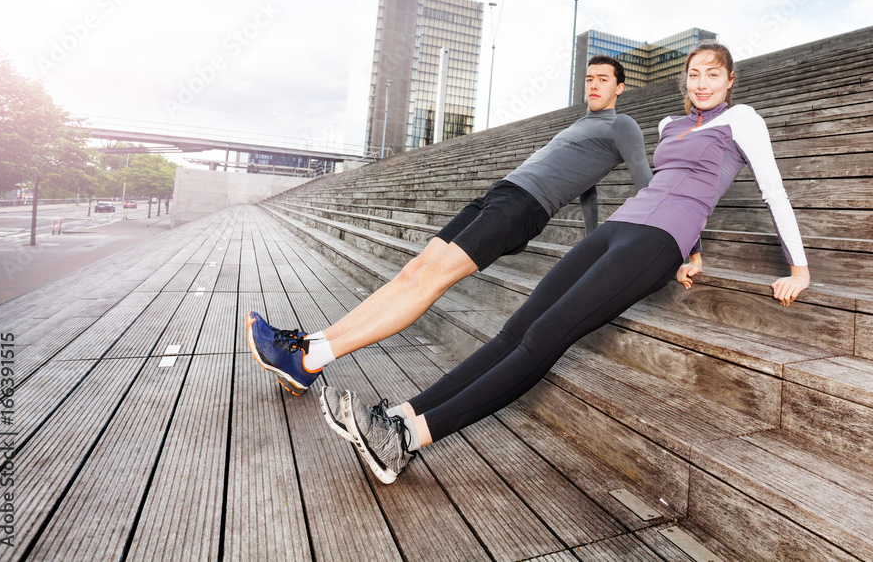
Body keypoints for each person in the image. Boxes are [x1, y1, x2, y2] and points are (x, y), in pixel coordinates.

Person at [322, 42, 811, 484]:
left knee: (545, 336)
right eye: (694, 74)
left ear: (729, 80)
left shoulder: (743, 119)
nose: (702, 83)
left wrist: (798, 269)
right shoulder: (670, 126)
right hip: (619, 229)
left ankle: (409, 440)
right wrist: (697, 253)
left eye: (713, 74)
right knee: (516, 328)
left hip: (658, 243)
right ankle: (401, 416)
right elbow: (667, 180)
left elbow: (772, 191)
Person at [246, 55, 653, 395]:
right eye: (589, 79)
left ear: (620, 87)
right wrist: (590, 236)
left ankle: (311, 360)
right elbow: (587, 187)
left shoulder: (623, 125)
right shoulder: (583, 124)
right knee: (412, 272)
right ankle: (308, 348)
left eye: (603, 79)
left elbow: (646, 182)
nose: (594, 85)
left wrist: (676, 245)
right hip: (499, 194)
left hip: (523, 208)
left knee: (430, 282)